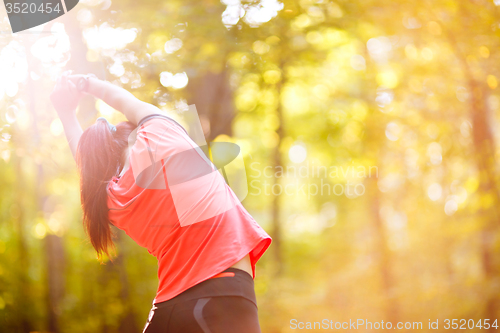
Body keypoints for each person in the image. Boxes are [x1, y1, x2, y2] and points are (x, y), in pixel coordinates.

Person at [50, 71, 272, 333]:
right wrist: (86, 83)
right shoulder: (159, 133)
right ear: (130, 130)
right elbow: (123, 100)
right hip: (222, 294)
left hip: (168, 309)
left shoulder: (112, 199)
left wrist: (65, 114)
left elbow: (88, 167)